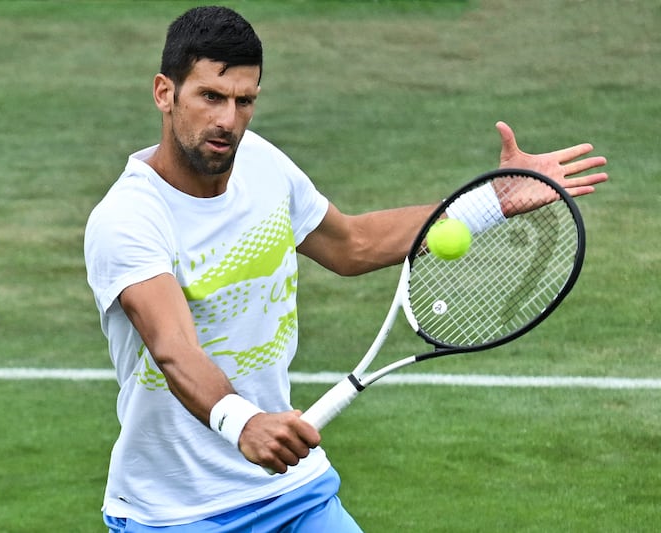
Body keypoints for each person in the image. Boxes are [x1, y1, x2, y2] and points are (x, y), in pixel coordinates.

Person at [84, 6, 607, 532]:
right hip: (176, 512)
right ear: (164, 93)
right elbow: (175, 348)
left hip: (293, 491)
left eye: (245, 101)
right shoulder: (129, 218)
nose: (229, 120)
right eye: (211, 97)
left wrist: (491, 200)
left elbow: (352, 244)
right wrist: (242, 422)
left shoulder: (264, 166)